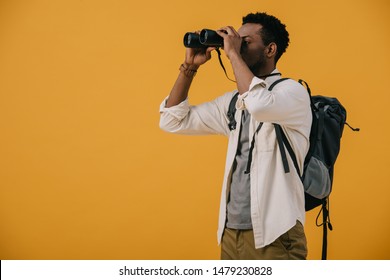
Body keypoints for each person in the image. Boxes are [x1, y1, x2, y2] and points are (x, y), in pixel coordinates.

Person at [159, 12, 312, 260]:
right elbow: (172, 120)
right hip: (231, 232)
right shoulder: (233, 101)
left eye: (246, 41)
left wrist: (232, 54)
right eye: (235, 40)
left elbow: (260, 104)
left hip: (275, 232)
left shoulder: (291, 92)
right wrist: (190, 67)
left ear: (270, 49)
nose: (237, 45)